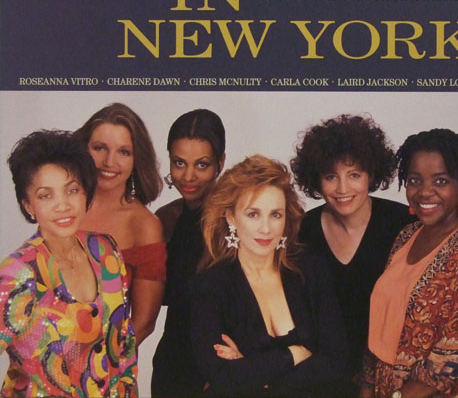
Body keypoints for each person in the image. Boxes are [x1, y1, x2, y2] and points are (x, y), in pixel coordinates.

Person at [190, 155, 348, 397]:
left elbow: (336, 360)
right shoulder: (210, 286)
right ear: (231, 217)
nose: (266, 228)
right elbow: (222, 377)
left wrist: (259, 379)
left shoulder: (310, 269)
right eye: (253, 214)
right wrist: (293, 354)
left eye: (276, 215)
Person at [362, 128, 458, 397]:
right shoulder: (407, 236)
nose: (425, 192)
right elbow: (381, 323)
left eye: (440, 181)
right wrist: (367, 387)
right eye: (415, 180)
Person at [1, 130, 137, 397]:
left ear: (86, 193)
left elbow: (125, 344)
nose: (62, 205)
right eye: (46, 195)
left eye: (72, 190)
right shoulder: (17, 275)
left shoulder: (105, 251)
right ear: (28, 205)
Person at [290, 114, 415, 394]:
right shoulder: (302, 232)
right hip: (320, 378)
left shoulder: (403, 224)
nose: (343, 189)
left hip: (389, 377)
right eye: (331, 176)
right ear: (316, 180)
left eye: (354, 175)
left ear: (371, 174)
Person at [75, 102, 165, 345]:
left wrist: (97, 362)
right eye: (99, 148)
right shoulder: (63, 205)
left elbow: (144, 323)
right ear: (83, 150)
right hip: (44, 357)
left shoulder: (144, 225)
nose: (109, 161)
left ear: (137, 159)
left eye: (124, 152)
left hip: (107, 362)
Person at [151, 109, 226, 397]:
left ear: (220, 163)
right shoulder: (165, 219)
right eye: (179, 163)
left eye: (202, 164)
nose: (188, 176)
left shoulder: (238, 219)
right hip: (172, 363)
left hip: (221, 367)